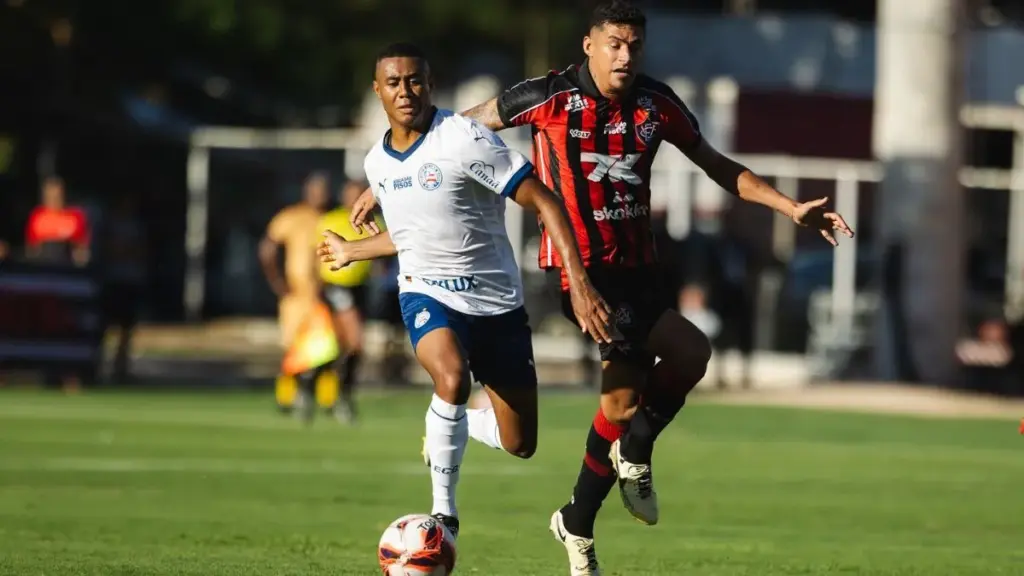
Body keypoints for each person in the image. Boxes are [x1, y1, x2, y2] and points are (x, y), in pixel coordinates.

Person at [349, 3, 854, 574]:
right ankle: (629, 457)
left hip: (638, 268)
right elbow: (458, 128)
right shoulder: (548, 96)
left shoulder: (656, 104)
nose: (625, 55)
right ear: (588, 45)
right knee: (670, 366)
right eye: (614, 43)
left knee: (641, 388)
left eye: (634, 45)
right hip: (579, 271)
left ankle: (580, 515)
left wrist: (789, 207)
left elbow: (716, 164)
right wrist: (388, 175)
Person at [317, 42, 611, 540]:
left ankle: (453, 425)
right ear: (378, 90)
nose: (405, 91)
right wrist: (352, 251)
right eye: (394, 83)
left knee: (520, 443)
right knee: (451, 378)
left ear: (430, 85)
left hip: (498, 306)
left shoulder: (464, 139)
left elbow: (545, 200)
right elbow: (413, 235)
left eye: (415, 80)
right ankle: (443, 516)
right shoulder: (377, 163)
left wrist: (580, 284)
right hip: (428, 293)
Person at [259, 172, 332, 422]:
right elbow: (268, 248)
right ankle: (286, 397)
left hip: (323, 295)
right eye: (315, 189)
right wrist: (277, 281)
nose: (319, 195)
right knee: (293, 348)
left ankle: (323, 398)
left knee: (324, 350)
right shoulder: (292, 216)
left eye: (323, 190)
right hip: (296, 295)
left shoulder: (330, 218)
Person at [316, 179, 378, 423]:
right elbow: (316, 253)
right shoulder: (331, 220)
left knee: (344, 347)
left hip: (360, 288)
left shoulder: (374, 220)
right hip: (336, 287)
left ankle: (323, 390)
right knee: (355, 343)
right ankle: (339, 395)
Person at [25, 176, 90, 267]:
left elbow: (82, 246)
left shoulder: (75, 216)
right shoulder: (37, 216)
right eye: (50, 196)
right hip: (43, 264)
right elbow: (31, 247)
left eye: (57, 196)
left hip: (68, 265)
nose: (53, 200)